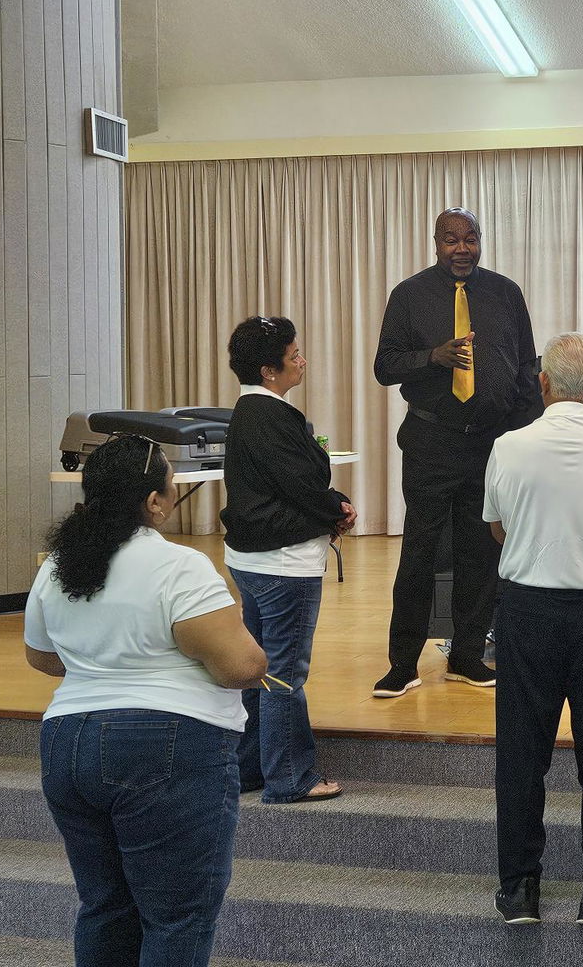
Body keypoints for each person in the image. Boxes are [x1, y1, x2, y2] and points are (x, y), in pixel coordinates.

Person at [24, 435, 268, 966]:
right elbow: (242, 667)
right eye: (170, 492)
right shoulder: (179, 567)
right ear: (154, 502)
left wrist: (107, 660)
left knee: (105, 907)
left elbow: (43, 658)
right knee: (176, 916)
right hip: (167, 744)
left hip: (66, 742)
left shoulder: (57, 566)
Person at [482, 332, 583, 927]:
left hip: (528, 609)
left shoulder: (508, 445)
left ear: (543, 384)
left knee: (521, 752)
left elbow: (497, 529)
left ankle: (519, 888)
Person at [372, 208, 541, 698]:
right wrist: (433, 358)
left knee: (481, 552)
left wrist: (521, 435)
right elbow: (385, 366)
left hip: (490, 443)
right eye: (451, 240)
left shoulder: (505, 293)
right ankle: (402, 664)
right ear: (435, 243)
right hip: (431, 442)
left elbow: (526, 368)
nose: (461, 249)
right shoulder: (409, 295)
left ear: (481, 241)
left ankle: (466, 657)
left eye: (470, 239)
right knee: (419, 553)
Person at [220, 315, 355, 803]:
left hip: (251, 560)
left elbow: (294, 484)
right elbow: (301, 484)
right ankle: (289, 778)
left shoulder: (250, 412)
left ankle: (252, 768)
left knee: (259, 666)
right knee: (283, 674)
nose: (303, 362)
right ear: (268, 370)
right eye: (294, 356)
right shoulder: (272, 416)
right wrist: (336, 510)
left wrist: (329, 506)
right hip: (282, 566)